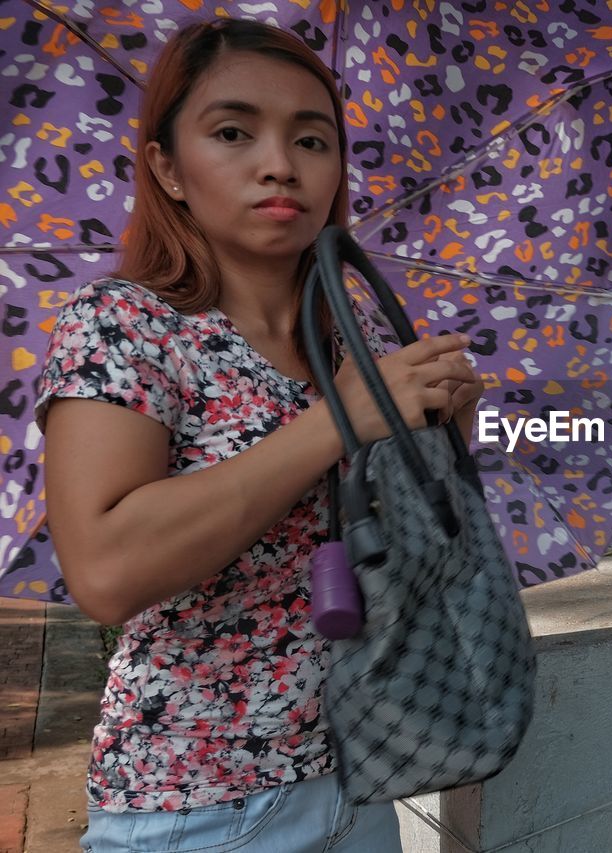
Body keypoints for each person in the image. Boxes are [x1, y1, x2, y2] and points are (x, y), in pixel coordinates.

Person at [38, 20, 485, 852]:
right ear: (167, 166)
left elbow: (422, 570)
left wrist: (446, 443)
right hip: (195, 808)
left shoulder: (359, 351)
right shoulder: (126, 325)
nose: (280, 163)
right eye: (233, 132)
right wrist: (337, 422)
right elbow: (105, 569)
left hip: (359, 782)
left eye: (312, 139)